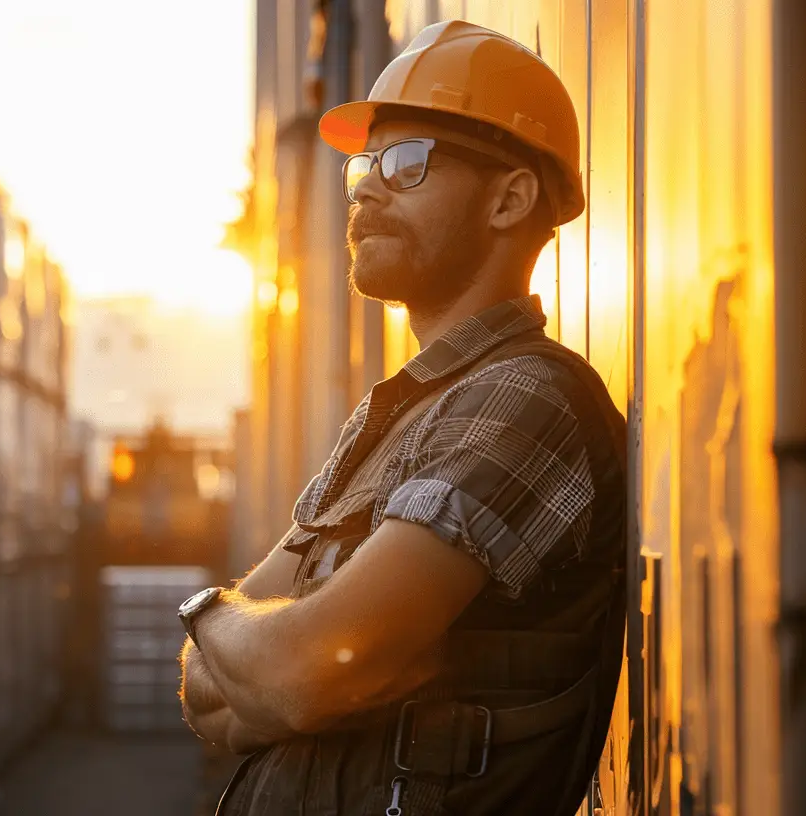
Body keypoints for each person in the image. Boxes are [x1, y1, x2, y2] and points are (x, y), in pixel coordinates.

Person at [177, 20, 628, 816]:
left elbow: (301, 675)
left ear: (510, 198)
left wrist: (214, 615)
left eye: (407, 164)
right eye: (363, 165)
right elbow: (206, 695)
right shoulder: (390, 421)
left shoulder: (527, 401)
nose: (363, 188)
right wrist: (262, 656)